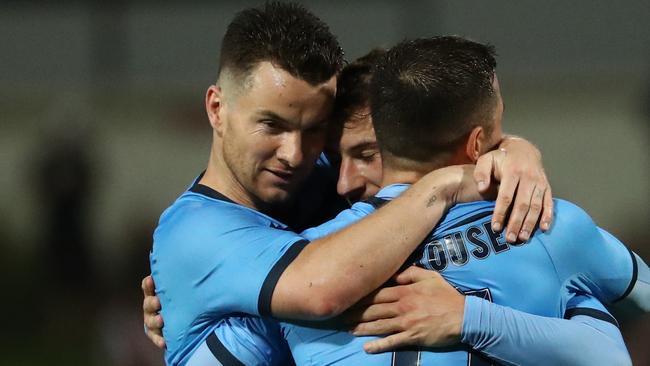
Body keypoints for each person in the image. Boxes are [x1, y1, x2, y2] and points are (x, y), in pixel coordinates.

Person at [152, 36, 648, 365]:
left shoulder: (305, 270)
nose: (343, 180)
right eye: (332, 156)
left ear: (389, 139)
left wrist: (193, 304)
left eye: (365, 153)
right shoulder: (545, 228)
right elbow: (608, 354)